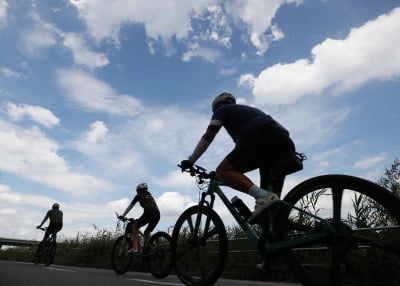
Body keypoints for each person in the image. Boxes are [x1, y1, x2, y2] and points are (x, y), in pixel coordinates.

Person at [181, 92, 298, 223]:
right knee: (272, 204)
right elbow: (241, 154)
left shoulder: (223, 110)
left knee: (223, 170)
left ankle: (262, 198)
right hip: (283, 143)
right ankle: (276, 235)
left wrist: (191, 161)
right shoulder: (245, 114)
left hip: (264, 137)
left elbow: (209, 135)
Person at [118, 183, 160, 253]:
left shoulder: (138, 196)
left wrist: (123, 215)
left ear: (138, 190)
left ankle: (135, 248)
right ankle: (154, 249)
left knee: (135, 227)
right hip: (157, 214)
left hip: (148, 213)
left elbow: (130, 206)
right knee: (147, 232)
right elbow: (155, 208)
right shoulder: (150, 197)